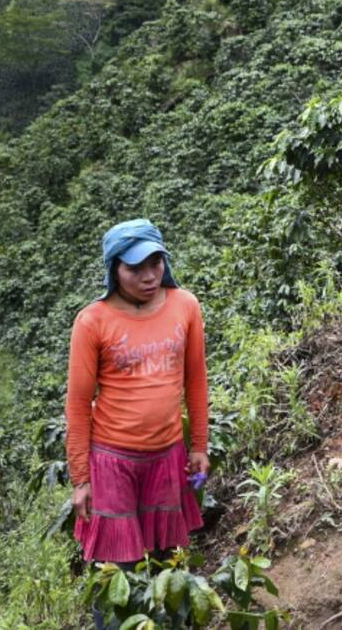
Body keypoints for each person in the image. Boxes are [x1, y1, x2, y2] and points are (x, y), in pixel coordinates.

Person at [66, 219, 209, 613]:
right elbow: (78, 403)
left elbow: (195, 380)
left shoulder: (185, 306)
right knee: (116, 578)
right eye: (135, 268)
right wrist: (81, 479)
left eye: (155, 263)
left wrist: (199, 445)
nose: (148, 276)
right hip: (113, 463)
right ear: (114, 269)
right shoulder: (92, 321)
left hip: (168, 458)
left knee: (171, 570)